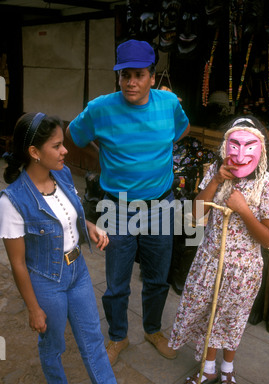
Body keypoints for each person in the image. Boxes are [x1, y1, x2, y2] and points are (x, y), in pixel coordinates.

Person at [0, 112, 150, 384]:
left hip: (78, 270)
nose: (65, 151)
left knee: (92, 335)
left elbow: (72, 214)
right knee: (52, 341)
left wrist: (90, 227)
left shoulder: (63, 175)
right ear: (34, 152)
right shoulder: (12, 201)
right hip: (45, 279)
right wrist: (33, 308)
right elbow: (17, 263)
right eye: (57, 146)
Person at [65, 39, 190, 366]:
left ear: (152, 76)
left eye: (138, 75)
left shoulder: (168, 104)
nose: (131, 82)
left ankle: (152, 329)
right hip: (117, 209)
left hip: (161, 208)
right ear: (118, 77)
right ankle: (118, 337)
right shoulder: (100, 109)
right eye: (124, 75)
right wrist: (105, 157)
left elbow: (181, 130)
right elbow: (75, 137)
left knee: (157, 277)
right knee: (117, 282)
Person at [168, 116, 269, 384]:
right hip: (209, 260)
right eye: (234, 144)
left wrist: (244, 209)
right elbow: (195, 215)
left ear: (261, 148)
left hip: (243, 270)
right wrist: (218, 179)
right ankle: (207, 369)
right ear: (225, 146)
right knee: (208, 316)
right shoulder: (217, 173)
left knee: (232, 319)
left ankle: (227, 368)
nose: (240, 153)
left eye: (249, 146)